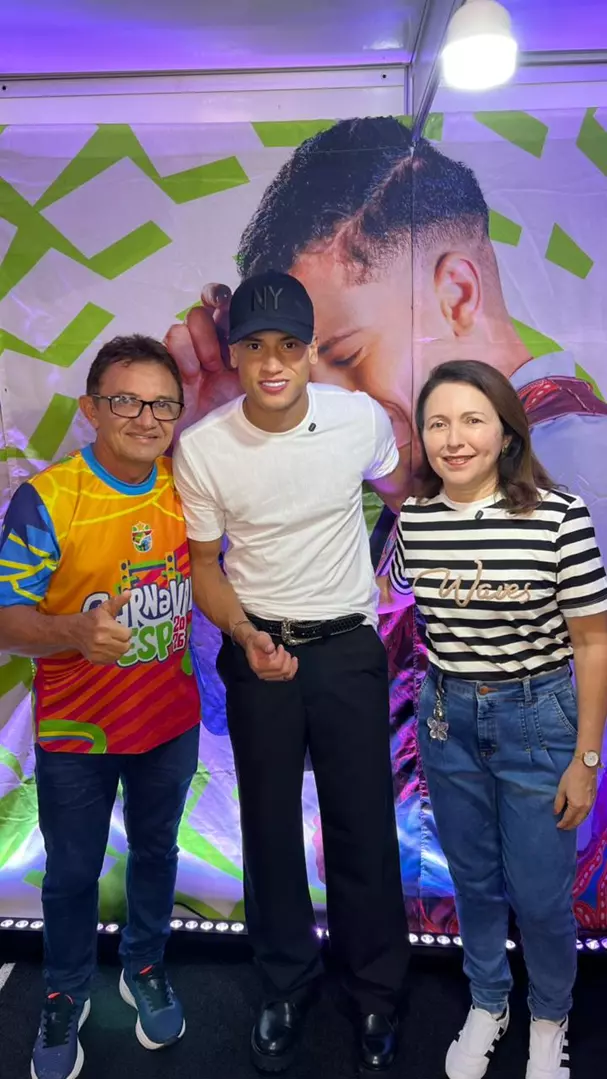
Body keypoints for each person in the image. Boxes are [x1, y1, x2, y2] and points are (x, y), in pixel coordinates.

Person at [165, 115, 607, 925]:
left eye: (340, 354)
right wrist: (229, 453)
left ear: (457, 293)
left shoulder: (573, 468)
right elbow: (226, 711)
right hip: (440, 926)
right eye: (287, 358)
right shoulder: (410, 502)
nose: (316, 394)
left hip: (540, 927)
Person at [172, 269, 410, 1074]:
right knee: (269, 830)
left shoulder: (357, 420)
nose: (271, 363)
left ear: (310, 351)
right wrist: (243, 633)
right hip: (257, 651)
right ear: (236, 354)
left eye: (287, 345)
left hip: (346, 649)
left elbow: (402, 498)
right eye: (254, 346)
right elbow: (205, 566)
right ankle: (284, 983)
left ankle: (376, 992)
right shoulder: (204, 448)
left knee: (363, 827)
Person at [379, 359, 607, 1080]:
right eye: (437, 423)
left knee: (540, 896)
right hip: (446, 719)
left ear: (506, 432)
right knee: (472, 882)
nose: (453, 439)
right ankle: (487, 1001)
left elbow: (592, 642)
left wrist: (586, 759)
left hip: (539, 717)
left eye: (472, 420)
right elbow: (391, 603)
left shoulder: (558, 516)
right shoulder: (417, 522)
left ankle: (549, 1015)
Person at [0, 336, 201, 1080]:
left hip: (169, 723)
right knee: (71, 873)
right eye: (126, 401)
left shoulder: (189, 485)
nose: (146, 418)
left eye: (162, 404)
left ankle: (144, 966)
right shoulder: (49, 498)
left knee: (157, 854)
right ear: (91, 408)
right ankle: (64, 991)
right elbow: (5, 620)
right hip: (76, 733)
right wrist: (73, 633)